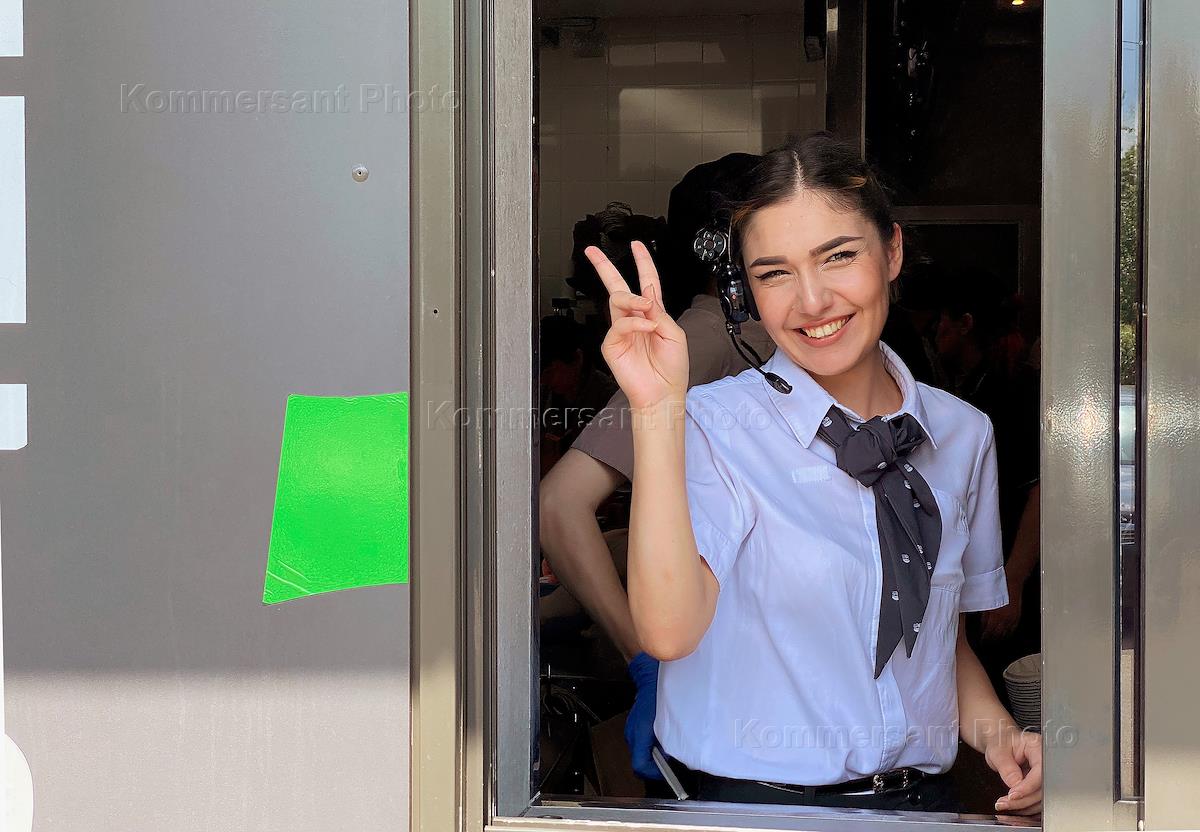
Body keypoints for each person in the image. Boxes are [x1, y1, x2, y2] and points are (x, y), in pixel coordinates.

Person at [583, 132, 1043, 815]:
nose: (812, 300)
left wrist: (1002, 736)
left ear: (891, 251)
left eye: (838, 256)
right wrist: (655, 412)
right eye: (774, 273)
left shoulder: (961, 433)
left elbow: (938, 640)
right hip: (756, 813)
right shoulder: (715, 424)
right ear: (746, 290)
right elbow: (668, 632)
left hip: (921, 807)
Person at [538, 156, 775, 783]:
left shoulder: (783, 337)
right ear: (723, 248)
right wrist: (641, 656)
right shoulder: (704, 339)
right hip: (715, 670)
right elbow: (559, 505)